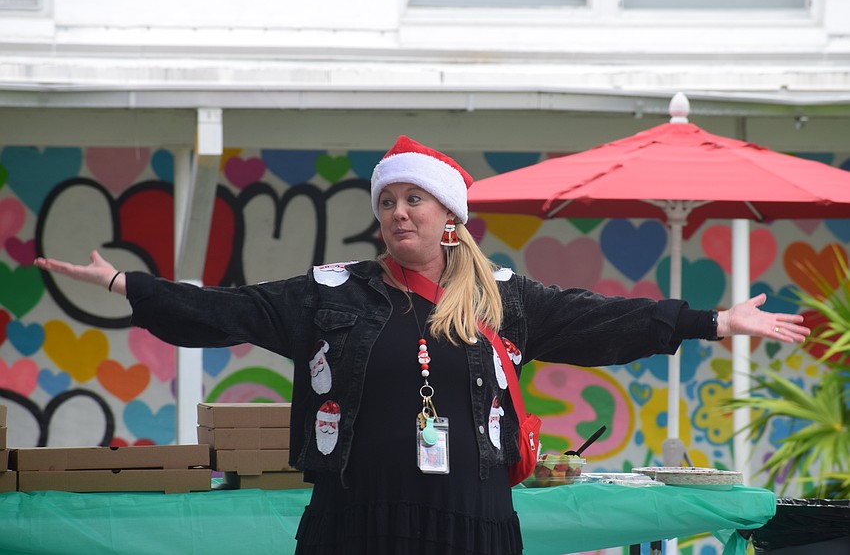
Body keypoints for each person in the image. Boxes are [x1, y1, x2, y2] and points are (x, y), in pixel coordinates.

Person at [34, 135, 810, 555]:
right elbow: (229, 311)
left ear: (450, 218)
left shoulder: (503, 298)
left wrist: (709, 321)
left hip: (469, 520)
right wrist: (127, 287)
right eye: (388, 200)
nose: (398, 212)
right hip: (357, 518)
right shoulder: (331, 292)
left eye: (415, 198)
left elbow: (599, 321)